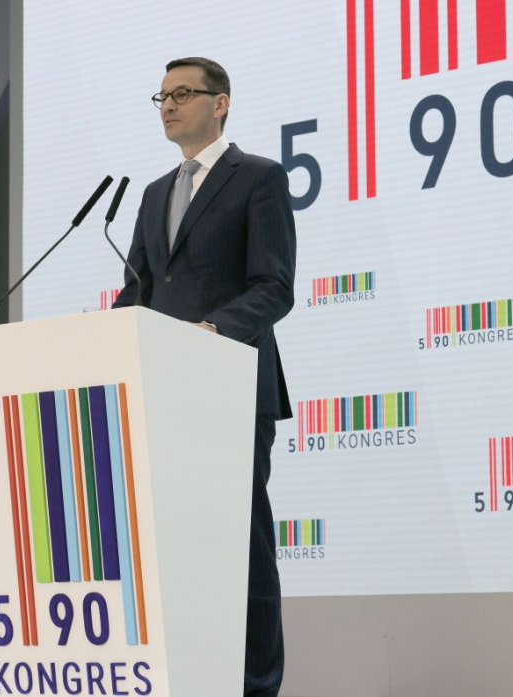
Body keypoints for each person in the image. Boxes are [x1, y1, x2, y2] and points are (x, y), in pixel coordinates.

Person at [112, 56, 295, 697]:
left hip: (230, 387)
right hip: (162, 395)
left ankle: (256, 686)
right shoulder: (153, 193)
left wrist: (211, 332)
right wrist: (107, 337)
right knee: (171, 555)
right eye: (161, 96)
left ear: (221, 103)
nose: (168, 105)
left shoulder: (260, 178)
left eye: (183, 93)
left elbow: (274, 286)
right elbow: (139, 290)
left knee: (241, 547)